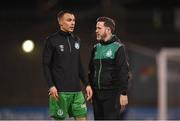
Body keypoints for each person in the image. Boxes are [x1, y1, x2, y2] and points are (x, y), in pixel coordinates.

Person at [42, 10, 92, 120]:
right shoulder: (51, 40)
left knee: (82, 119)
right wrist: (51, 86)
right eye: (69, 20)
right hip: (59, 92)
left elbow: (78, 65)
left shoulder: (76, 40)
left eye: (74, 20)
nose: (73, 23)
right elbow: (46, 65)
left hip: (77, 91)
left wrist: (87, 84)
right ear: (60, 22)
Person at [88, 16, 129, 120]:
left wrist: (123, 93)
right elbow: (91, 71)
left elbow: (123, 71)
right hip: (97, 95)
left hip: (112, 95)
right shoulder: (96, 48)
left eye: (99, 28)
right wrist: (90, 87)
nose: (96, 30)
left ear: (108, 30)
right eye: (96, 28)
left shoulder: (118, 48)